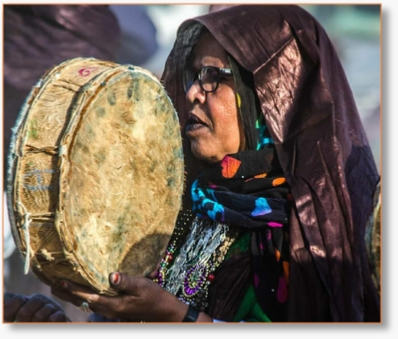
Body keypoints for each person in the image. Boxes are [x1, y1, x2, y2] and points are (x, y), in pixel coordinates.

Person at [4, 5, 380, 323]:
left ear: (271, 94)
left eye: (213, 76)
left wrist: (179, 319)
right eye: (194, 75)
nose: (192, 92)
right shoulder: (184, 210)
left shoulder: (311, 235)